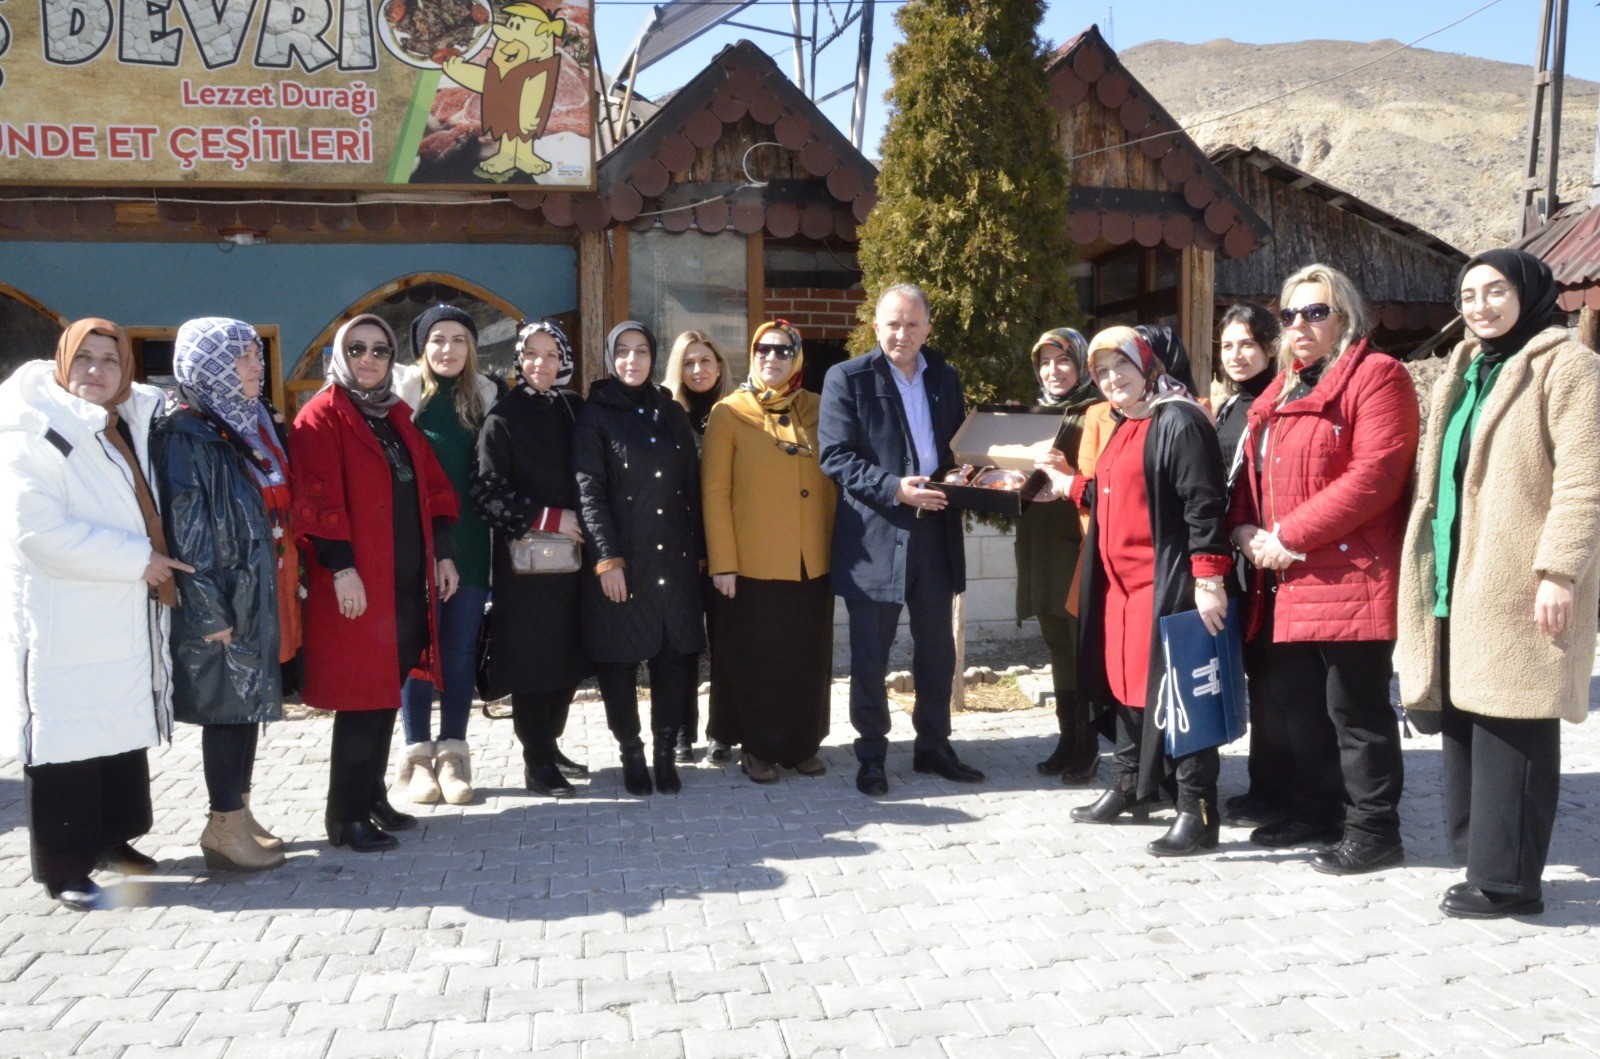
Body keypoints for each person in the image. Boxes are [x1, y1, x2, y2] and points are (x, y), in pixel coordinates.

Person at [1397, 249, 1600, 918]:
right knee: (1467, 722)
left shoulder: (1567, 364)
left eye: (1495, 290)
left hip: (1520, 575)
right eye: (1469, 293)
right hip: (1460, 571)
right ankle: (1486, 862)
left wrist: (1558, 569)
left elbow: (1583, 480)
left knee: (1515, 725)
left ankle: (1513, 882)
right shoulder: (1466, 367)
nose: (1480, 305)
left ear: (1530, 293)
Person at [1226, 263, 1419, 875]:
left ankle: (1374, 829)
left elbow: (1375, 478)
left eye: (1316, 312)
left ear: (1347, 317)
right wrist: (1244, 527)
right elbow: (1252, 472)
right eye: (1289, 315)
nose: (1300, 325)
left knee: (1355, 712)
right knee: (1297, 706)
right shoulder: (1281, 388)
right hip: (1286, 575)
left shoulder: (1378, 376)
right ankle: (1316, 811)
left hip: (1351, 575)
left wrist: (1289, 535)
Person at [0, 318, 188, 910]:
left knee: (114, 729)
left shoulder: (119, 423)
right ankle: (64, 867)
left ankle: (112, 839)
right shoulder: (34, 428)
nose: (97, 371)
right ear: (62, 362)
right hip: (62, 616)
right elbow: (34, 531)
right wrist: (139, 560)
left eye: (110, 359)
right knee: (66, 741)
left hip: (117, 606)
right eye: (85, 358)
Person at [1040, 327, 1231, 857]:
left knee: (1181, 697)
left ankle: (1198, 809)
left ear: (1146, 364)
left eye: (1120, 366)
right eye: (1100, 371)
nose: (1110, 379)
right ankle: (1128, 784)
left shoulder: (1180, 420)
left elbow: (1203, 505)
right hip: (1120, 591)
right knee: (1124, 687)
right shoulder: (1127, 423)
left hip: (1165, 585)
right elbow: (1112, 492)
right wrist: (1069, 487)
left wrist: (1210, 579)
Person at [291, 314, 459, 852]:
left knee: (384, 692)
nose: (368, 359)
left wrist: (445, 556)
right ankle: (345, 817)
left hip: (404, 582)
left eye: (380, 351)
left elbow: (432, 489)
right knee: (362, 698)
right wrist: (342, 568)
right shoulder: (322, 415)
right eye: (357, 349)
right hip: (358, 584)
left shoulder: (395, 415)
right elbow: (315, 502)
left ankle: (371, 796)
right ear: (340, 355)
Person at [818, 283, 983, 797]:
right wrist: (894, 488)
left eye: (913, 324)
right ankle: (871, 756)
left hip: (934, 532)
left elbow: (956, 447)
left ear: (928, 328)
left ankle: (934, 746)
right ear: (875, 326)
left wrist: (974, 473)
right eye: (892, 323)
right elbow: (835, 457)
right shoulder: (847, 377)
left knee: (937, 650)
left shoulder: (945, 376)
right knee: (870, 654)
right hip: (876, 534)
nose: (902, 333)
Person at [154, 318, 296, 873]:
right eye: (242, 358)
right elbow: (186, 530)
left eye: (257, 356)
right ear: (208, 365)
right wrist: (211, 611)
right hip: (221, 595)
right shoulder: (186, 435)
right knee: (228, 711)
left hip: (250, 585)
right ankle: (222, 826)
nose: (256, 367)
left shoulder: (240, 422)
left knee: (246, 705)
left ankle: (238, 811)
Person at [702, 320, 838, 783]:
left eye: (784, 351)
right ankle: (757, 748)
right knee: (758, 658)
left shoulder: (820, 408)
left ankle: (802, 745)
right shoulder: (729, 412)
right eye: (763, 350)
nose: (772, 359)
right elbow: (715, 493)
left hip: (811, 559)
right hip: (752, 562)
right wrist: (723, 562)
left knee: (807, 656)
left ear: (797, 358)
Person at [574, 321, 705, 796]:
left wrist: (703, 554)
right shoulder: (596, 415)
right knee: (619, 662)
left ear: (654, 357)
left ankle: (665, 753)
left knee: (672, 659)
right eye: (623, 352)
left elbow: (693, 487)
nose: (632, 360)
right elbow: (590, 493)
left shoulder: (670, 412)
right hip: (623, 561)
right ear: (611, 359)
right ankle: (631, 751)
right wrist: (608, 560)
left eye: (642, 351)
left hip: (673, 559)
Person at [473, 319, 591, 798]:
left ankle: (551, 744)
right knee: (533, 662)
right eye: (531, 354)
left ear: (564, 361)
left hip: (576, 563)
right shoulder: (503, 418)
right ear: (519, 361)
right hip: (528, 568)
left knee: (566, 659)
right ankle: (536, 760)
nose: (540, 363)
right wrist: (550, 518)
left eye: (551, 354)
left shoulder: (574, 409)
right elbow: (486, 493)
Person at [391, 305, 496, 806]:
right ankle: (415, 758)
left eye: (458, 339)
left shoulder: (486, 400)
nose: (448, 349)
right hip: (418, 545)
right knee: (417, 651)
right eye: (437, 339)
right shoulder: (401, 401)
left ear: (471, 348)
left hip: (472, 545)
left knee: (457, 651)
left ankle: (453, 754)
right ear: (422, 347)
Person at [1209, 303, 1287, 830]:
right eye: (1228, 346)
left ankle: (1279, 791)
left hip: (1266, 556)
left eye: (1247, 345)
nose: (1237, 355)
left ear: (1268, 347)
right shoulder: (1229, 404)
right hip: (1234, 555)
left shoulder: (1277, 400)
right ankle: (1265, 786)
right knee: (1257, 678)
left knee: (1275, 683)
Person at [1019, 328, 1102, 785]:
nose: (1053, 371)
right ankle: (1066, 739)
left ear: (1081, 365)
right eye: (1045, 362)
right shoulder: (1034, 416)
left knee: (1078, 643)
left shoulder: (1095, 412)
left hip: (1076, 541)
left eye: (1063, 361)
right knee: (1055, 641)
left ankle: (1087, 745)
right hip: (1038, 539)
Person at [662, 329, 731, 763]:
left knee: (726, 642)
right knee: (682, 645)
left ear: (720, 366)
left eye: (705, 360)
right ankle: (682, 733)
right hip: (679, 548)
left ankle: (722, 732)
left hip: (726, 547)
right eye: (688, 362)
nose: (697, 370)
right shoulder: (666, 416)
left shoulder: (736, 413)